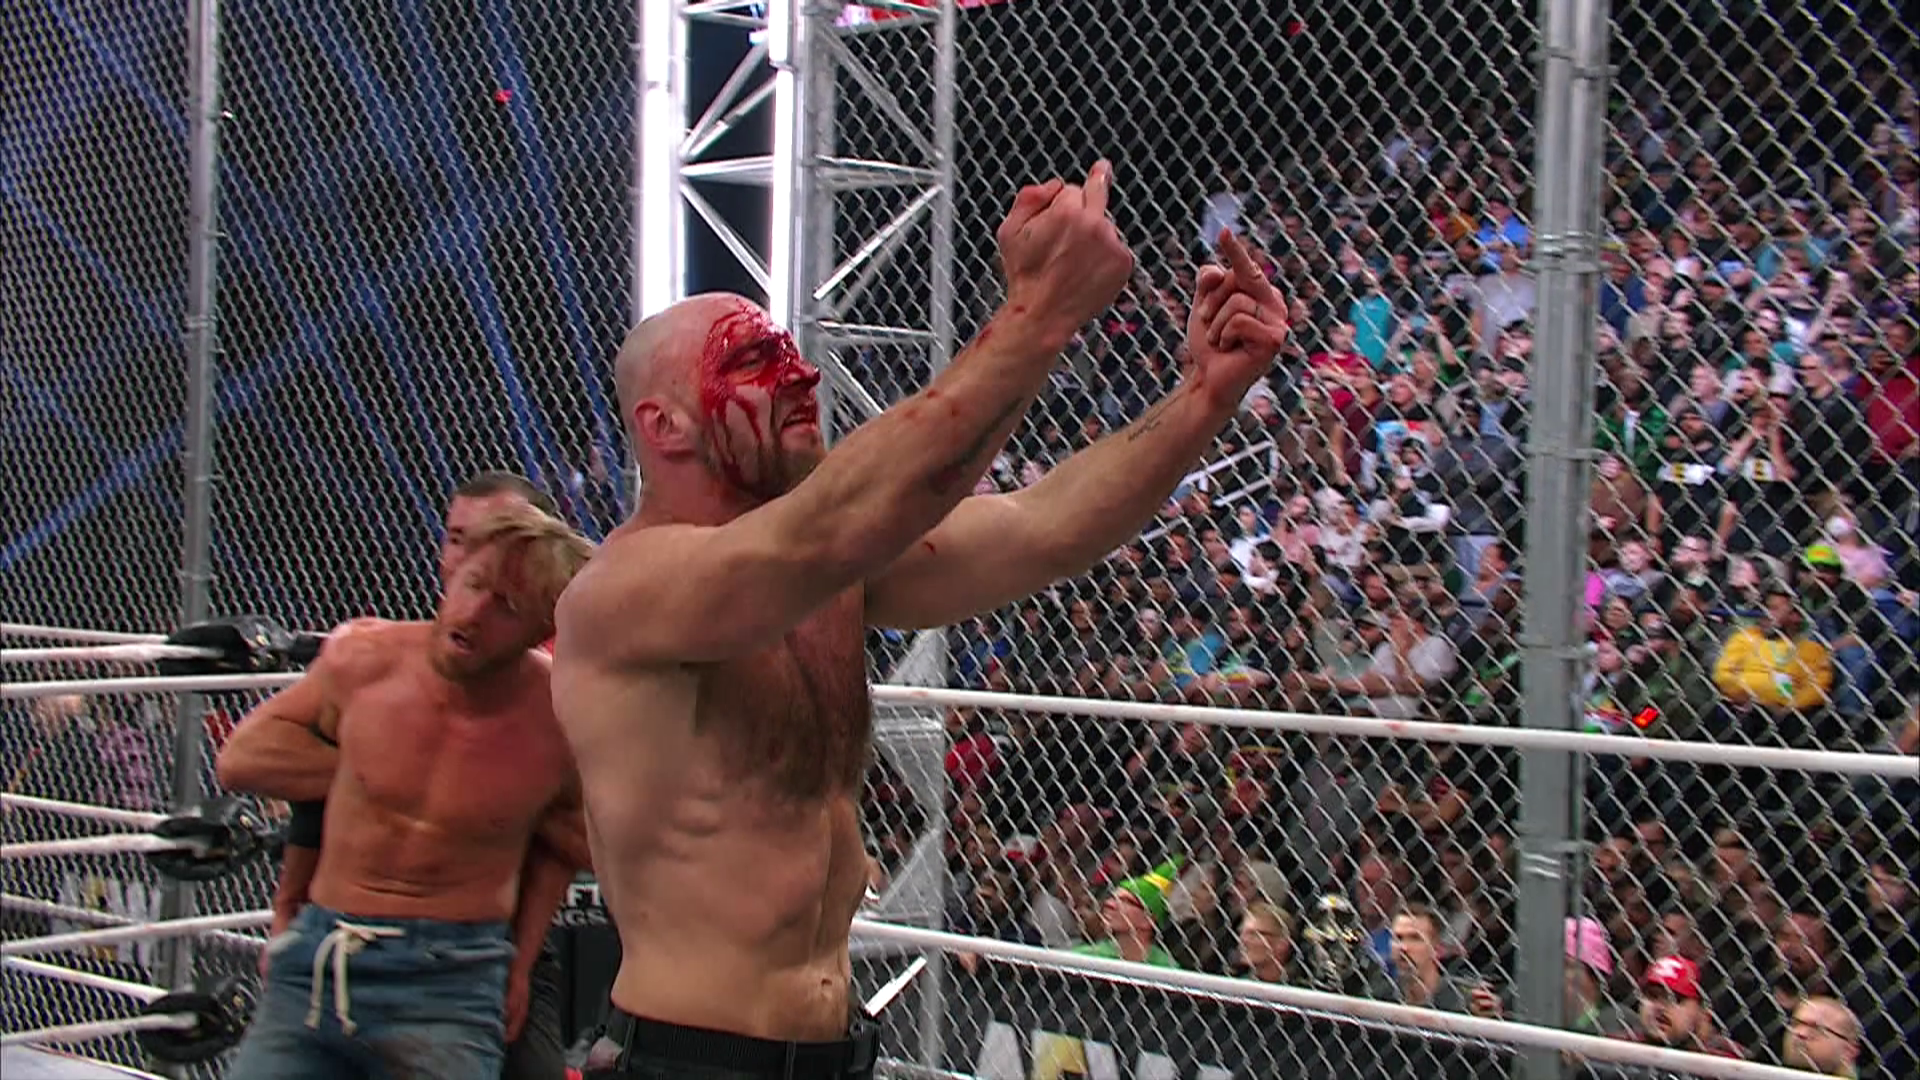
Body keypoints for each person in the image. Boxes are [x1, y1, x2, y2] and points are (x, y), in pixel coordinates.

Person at [552, 161, 1290, 1078]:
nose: (802, 374)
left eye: (789, 351)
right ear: (664, 426)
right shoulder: (624, 594)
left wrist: (1204, 396)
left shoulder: (831, 574)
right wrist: (1039, 314)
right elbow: (830, 527)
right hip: (689, 1061)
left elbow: (1043, 527)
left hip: (835, 1048)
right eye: (752, 362)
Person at [217, 502, 595, 1078]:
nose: (473, 612)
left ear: (540, 632)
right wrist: (371, 770)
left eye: (506, 607)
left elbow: (573, 844)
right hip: (324, 954)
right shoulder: (364, 657)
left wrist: (520, 962)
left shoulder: (556, 718)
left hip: (452, 977)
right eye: (474, 584)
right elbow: (242, 759)